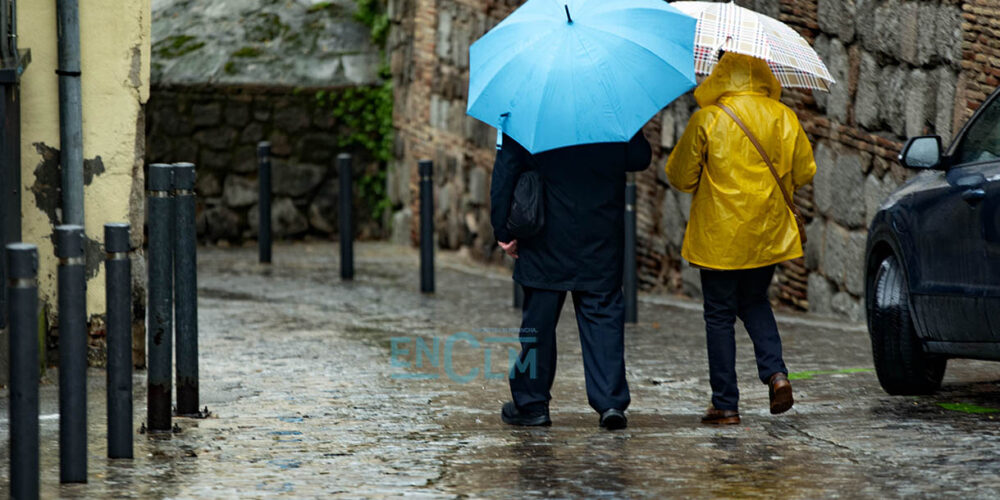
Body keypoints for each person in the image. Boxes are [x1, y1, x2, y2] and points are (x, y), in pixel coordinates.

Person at [665, 52, 817, 425]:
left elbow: (681, 177)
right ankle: (776, 373)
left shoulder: (708, 118)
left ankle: (725, 404)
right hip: (765, 233)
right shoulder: (784, 117)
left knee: (719, 315)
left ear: (721, 76)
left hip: (719, 237)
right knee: (754, 301)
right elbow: (805, 170)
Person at [490, 131, 652, 430]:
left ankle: (532, 404)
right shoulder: (610, 107)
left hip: (545, 233)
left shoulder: (530, 107)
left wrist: (503, 229)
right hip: (599, 230)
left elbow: (507, 168)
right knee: (602, 313)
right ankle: (610, 402)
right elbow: (639, 158)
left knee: (538, 322)